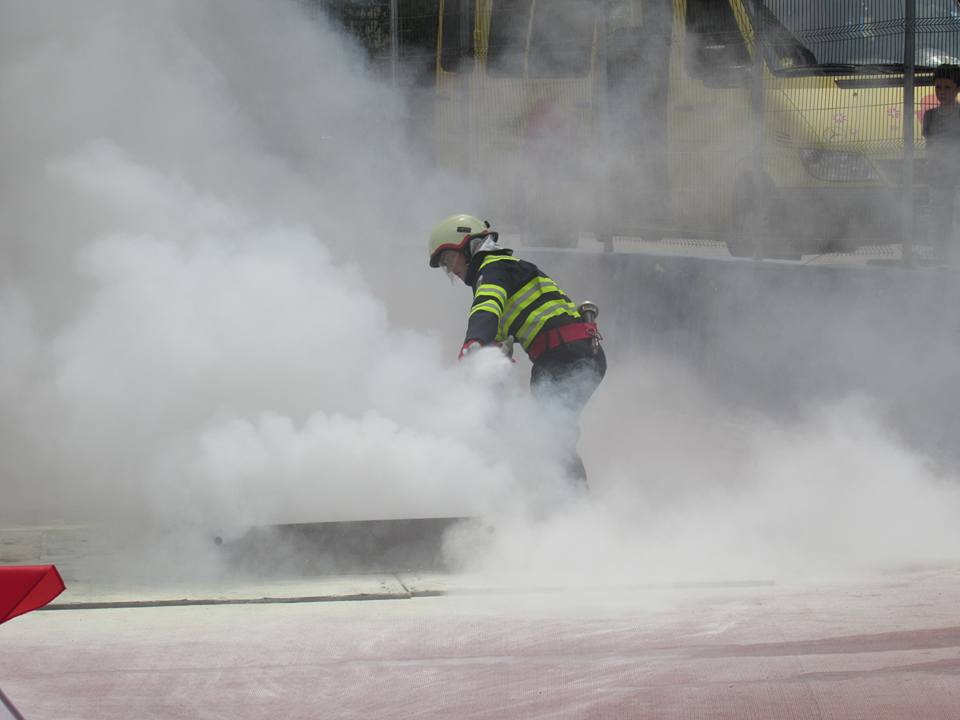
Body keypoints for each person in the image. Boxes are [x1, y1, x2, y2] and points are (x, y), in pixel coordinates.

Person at [428, 213, 606, 491]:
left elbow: (487, 307)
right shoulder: (498, 278)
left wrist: (473, 343)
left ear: (469, 245)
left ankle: (574, 505)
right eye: (445, 266)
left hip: (568, 357)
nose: (451, 269)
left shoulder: (494, 267)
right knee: (545, 436)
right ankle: (561, 500)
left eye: (449, 259)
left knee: (550, 438)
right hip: (560, 360)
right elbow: (497, 352)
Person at [922, 64, 960, 267]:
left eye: (947, 87)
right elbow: (930, 145)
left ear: (957, 89)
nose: (942, 92)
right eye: (938, 87)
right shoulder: (930, 116)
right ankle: (940, 258)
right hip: (938, 177)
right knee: (938, 217)